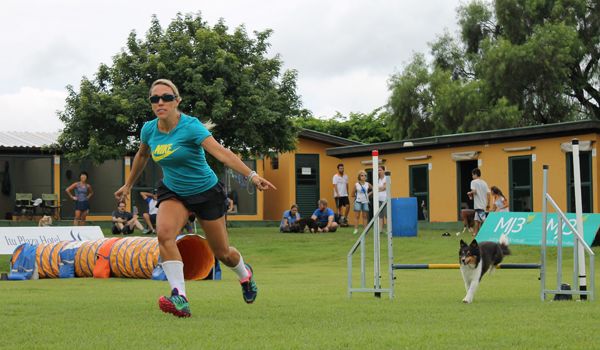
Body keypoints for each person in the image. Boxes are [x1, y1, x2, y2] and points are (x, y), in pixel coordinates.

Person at [114, 78, 275, 318]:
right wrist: (128, 184)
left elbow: (222, 154)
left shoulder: (190, 127)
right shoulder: (149, 129)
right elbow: (142, 155)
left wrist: (251, 175)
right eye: (154, 98)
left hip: (205, 192)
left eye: (166, 97)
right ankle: (180, 297)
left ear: (177, 101)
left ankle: (245, 275)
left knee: (222, 253)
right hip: (174, 191)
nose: (160, 102)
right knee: (164, 234)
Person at [467, 168, 490, 236]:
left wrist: (469, 193)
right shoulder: (484, 182)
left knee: (484, 221)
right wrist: (488, 204)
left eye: (472, 175)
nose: (472, 176)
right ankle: (476, 235)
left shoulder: (473, 182)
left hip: (478, 206)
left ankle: (489, 234)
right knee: (476, 221)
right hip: (483, 204)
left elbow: (474, 191)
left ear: (475, 174)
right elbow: (488, 194)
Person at [352, 170, 372, 235]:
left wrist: (369, 194)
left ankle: (365, 230)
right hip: (358, 201)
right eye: (362, 175)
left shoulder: (368, 184)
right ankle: (356, 229)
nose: (364, 177)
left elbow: (374, 189)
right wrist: (356, 197)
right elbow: (352, 194)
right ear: (359, 177)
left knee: (365, 216)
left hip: (365, 202)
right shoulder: (356, 184)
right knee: (357, 216)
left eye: (365, 175)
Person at [377, 165, 387, 229]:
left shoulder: (386, 178)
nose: (379, 171)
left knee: (387, 215)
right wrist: (379, 188)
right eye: (378, 170)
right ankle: (381, 230)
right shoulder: (378, 179)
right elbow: (377, 188)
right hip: (379, 199)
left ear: (384, 171)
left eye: (380, 170)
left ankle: (389, 230)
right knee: (380, 216)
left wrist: (378, 189)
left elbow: (384, 188)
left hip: (385, 199)